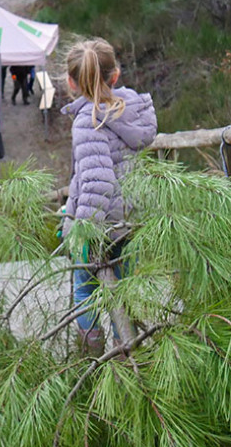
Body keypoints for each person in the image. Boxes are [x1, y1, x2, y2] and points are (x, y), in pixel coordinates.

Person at [59, 37, 157, 350]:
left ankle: (92, 355)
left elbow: (98, 181)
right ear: (115, 76)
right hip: (128, 224)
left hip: (99, 226)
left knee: (84, 290)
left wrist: (82, 228)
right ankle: (125, 354)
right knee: (123, 290)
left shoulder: (88, 121)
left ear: (72, 83)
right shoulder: (129, 110)